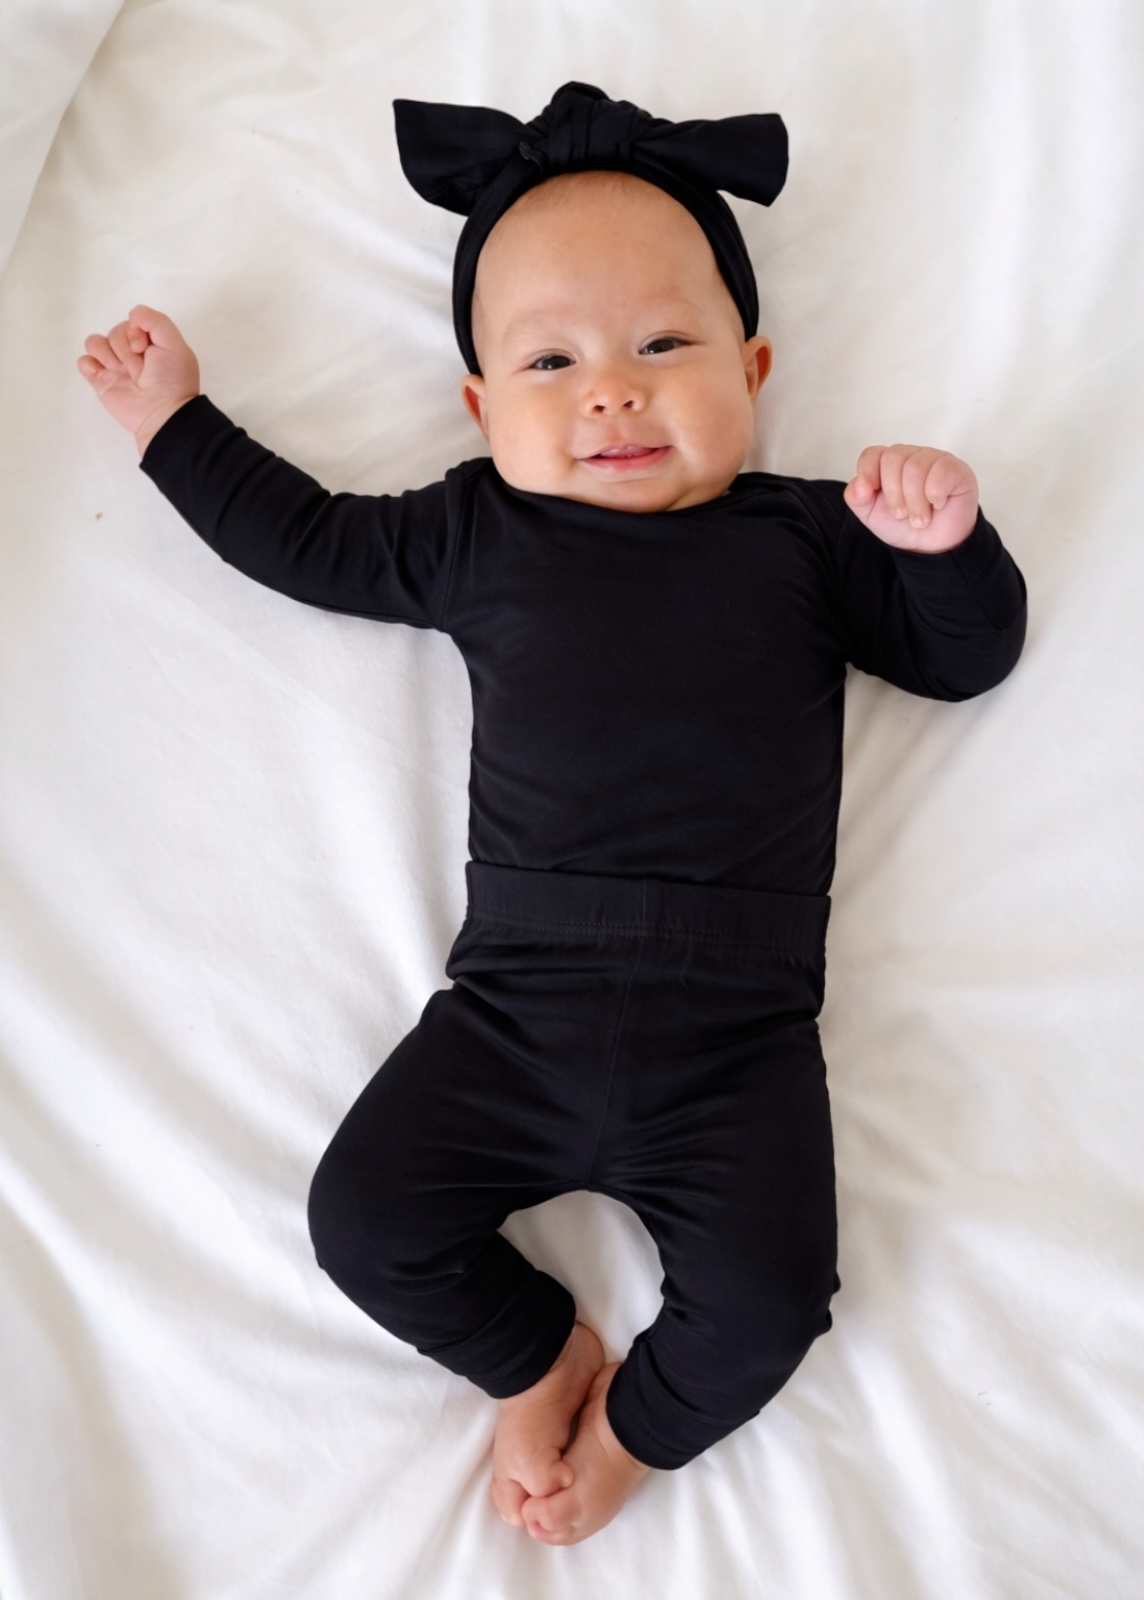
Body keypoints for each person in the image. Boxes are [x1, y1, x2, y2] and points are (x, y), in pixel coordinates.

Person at [77, 82, 1026, 1546]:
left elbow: (963, 661)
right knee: (365, 1223)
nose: (612, 391)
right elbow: (311, 541)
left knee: (771, 1302)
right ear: (480, 407)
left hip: (739, 1039)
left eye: (663, 346)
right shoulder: (482, 530)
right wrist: (173, 424)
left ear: (753, 366)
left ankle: (632, 1436)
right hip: (515, 1010)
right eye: (550, 360)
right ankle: (538, 1355)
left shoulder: (807, 536)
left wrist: (946, 547)